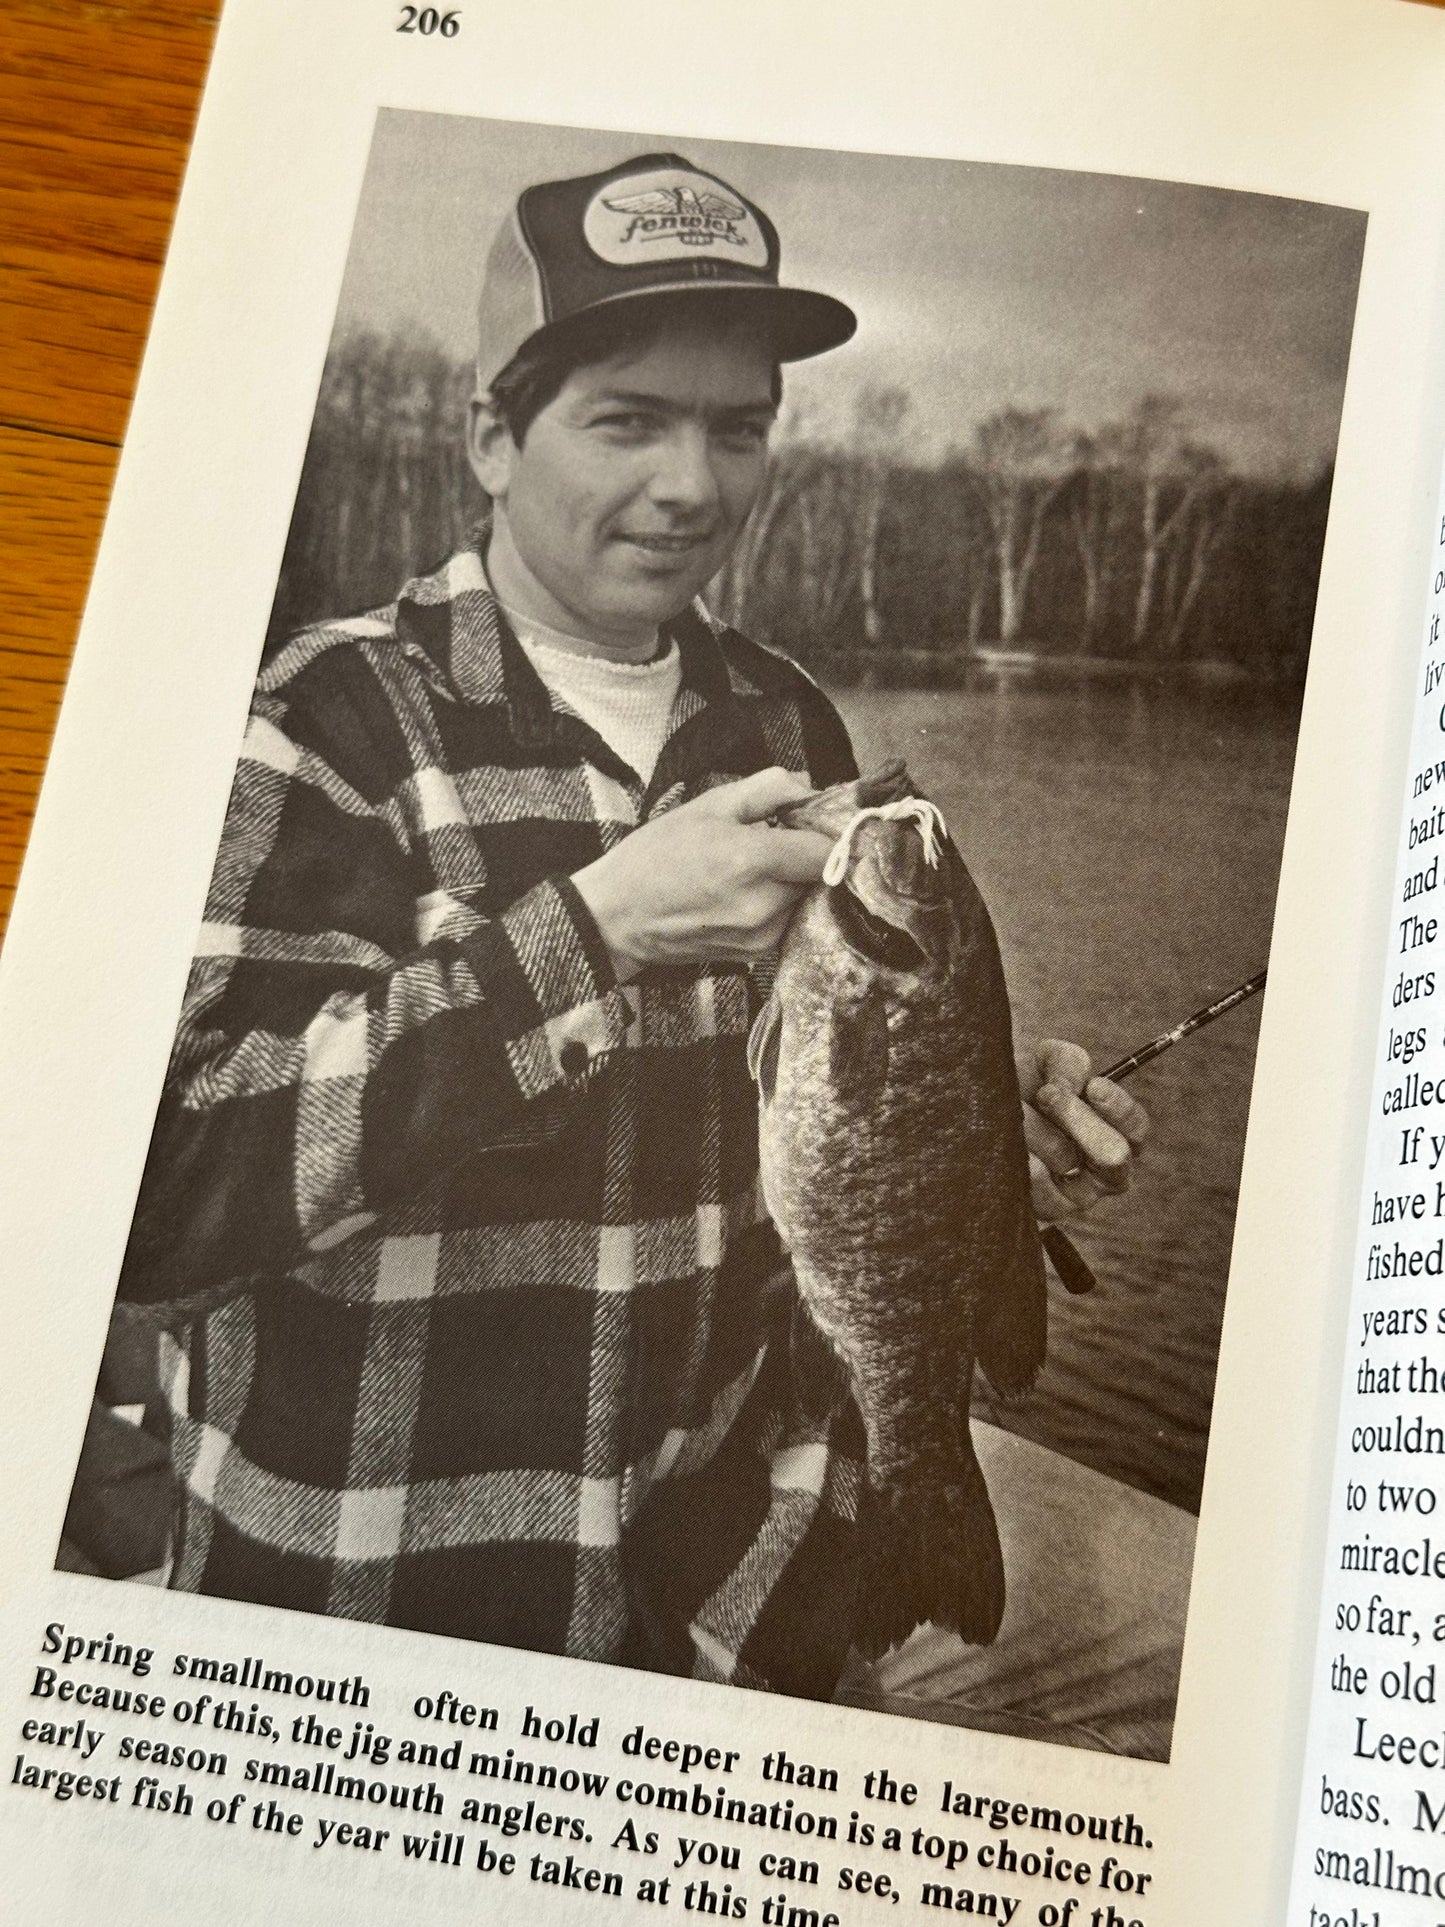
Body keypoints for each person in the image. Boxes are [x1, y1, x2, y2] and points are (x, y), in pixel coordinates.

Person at [115, 152, 1149, 1707]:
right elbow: (160, 1194)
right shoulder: (321, 726)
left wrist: (936, 1115)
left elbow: (776, 1126)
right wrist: (586, 933)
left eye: (738, 429)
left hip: (748, 1568)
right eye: (627, 420)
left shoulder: (779, 715)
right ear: (488, 436)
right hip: (394, 1611)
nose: (691, 485)